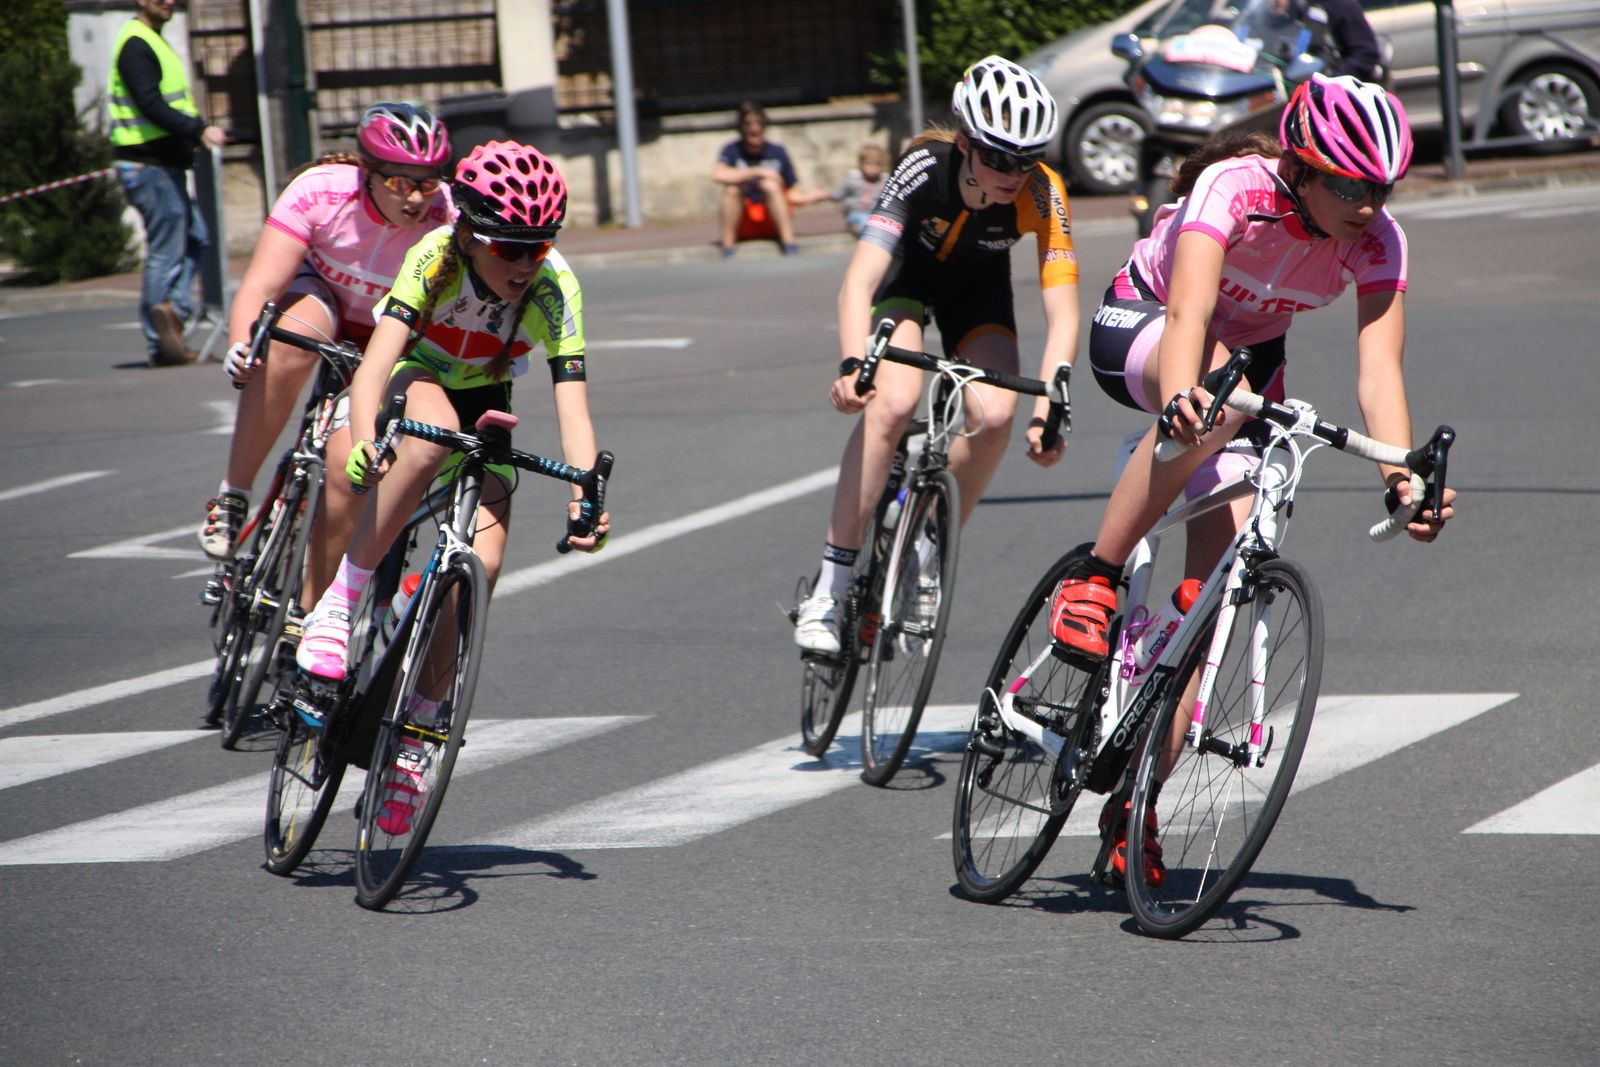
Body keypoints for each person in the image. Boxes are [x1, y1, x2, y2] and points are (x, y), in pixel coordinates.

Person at [1052, 73, 1456, 884]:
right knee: (1219, 404)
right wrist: (1181, 399)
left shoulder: (1379, 241)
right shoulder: (1234, 186)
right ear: (1299, 166)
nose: (1368, 205)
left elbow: (1379, 369)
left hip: (1247, 363)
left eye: (1381, 188)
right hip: (1148, 320)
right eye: (1349, 186)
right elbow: (1191, 313)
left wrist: (1401, 475)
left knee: (1213, 599)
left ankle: (1135, 801)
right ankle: (1094, 577)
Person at [295, 140, 610, 717]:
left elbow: (574, 411)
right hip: (411, 375)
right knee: (430, 431)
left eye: (539, 246)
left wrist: (584, 497)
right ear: (468, 236)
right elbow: (374, 368)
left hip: (485, 396)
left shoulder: (555, 286)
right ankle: (338, 606)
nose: (525, 264)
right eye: (509, 248)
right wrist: (365, 441)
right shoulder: (435, 255)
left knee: (482, 564)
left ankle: (419, 723)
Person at [792, 55, 1082, 655]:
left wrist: (1050, 409)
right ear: (966, 144)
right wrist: (852, 367)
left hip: (977, 293)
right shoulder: (924, 165)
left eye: (1027, 159)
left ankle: (926, 555)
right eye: (999, 158)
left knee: (996, 415)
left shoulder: (1043, 191)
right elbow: (859, 280)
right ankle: (831, 584)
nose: (1014, 173)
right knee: (894, 401)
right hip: (906, 281)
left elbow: (1064, 312)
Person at [195, 102, 455, 621]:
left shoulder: (446, 215)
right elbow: (260, 287)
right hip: (323, 300)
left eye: (427, 183)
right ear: (367, 173)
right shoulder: (322, 190)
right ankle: (233, 495)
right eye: (399, 182)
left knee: (349, 460)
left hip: (388, 330)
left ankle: (309, 609)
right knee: (292, 338)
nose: (415, 197)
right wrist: (243, 345)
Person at [107, 0, 226, 367]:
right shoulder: (136, 43)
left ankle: (172, 317)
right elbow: (150, 104)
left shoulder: (153, 39)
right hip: (148, 166)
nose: (170, 2)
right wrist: (197, 130)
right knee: (166, 251)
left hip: (163, 165)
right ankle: (160, 339)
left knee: (196, 239)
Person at [712, 102, 829, 257]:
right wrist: (756, 171)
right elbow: (718, 174)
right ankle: (728, 246)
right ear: (741, 127)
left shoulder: (777, 152)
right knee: (731, 190)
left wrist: (812, 197)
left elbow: (791, 192)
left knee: (771, 186)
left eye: (759, 123)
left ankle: (789, 242)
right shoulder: (732, 150)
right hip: (744, 220)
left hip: (772, 219)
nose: (754, 128)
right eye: (748, 124)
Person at [829, 143, 889, 236]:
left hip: (875, 215)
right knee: (864, 221)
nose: (872, 168)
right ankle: (860, 230)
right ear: (861, 164)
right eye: (868, 164)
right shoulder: (854, 179)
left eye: (877, 165)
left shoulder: (885, 181)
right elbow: (838, 194)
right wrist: (822, 194)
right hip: (856, 213)